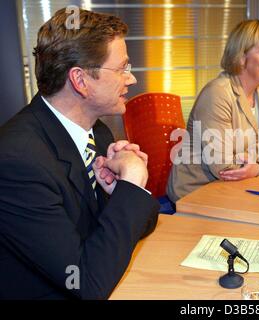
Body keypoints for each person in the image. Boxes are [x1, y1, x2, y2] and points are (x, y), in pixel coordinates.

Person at [0, 8, 160, 299]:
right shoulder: (17, 161)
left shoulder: (97, 131)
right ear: (80, 80)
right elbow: (84, 283)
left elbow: (143, 225)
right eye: (122, 68)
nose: (131, 79)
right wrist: (131, 184)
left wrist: (120, 191)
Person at [167, 20, 259, 203]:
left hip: (240, 189)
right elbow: (224, 168)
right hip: (197, 193)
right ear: (241, 56)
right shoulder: (217, 94)